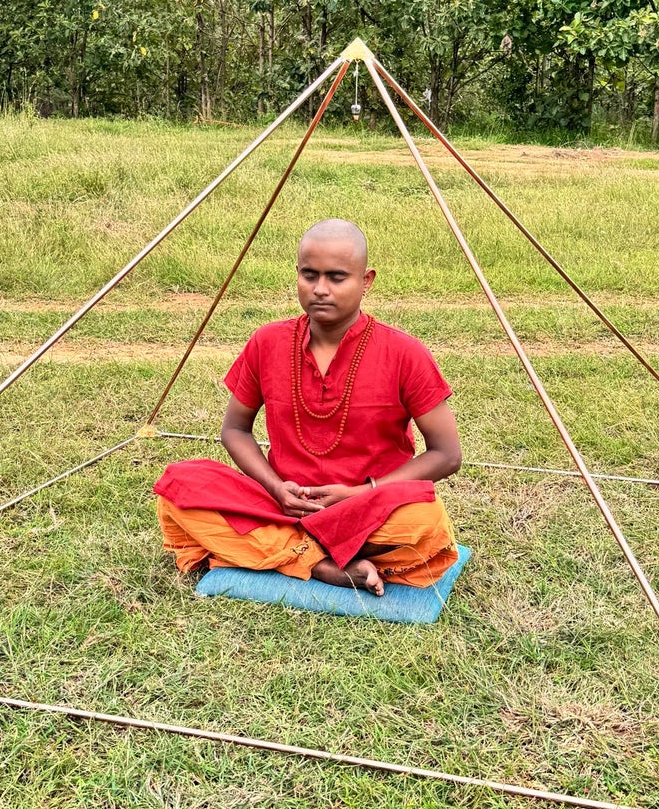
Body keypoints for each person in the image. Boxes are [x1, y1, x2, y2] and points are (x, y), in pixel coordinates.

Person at [155, 219, 461, 596]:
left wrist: (360, 494)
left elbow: (447, 455)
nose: (320, 289)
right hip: (282, 505)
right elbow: (234, 430)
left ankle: (281, 551)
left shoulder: (404, 352)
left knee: (424, 525)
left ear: (366, 281)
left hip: (368, 509)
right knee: (180, 488)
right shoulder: (268, 341)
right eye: (309, 275)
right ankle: (317, 564)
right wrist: (276, 487)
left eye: (336, 277)